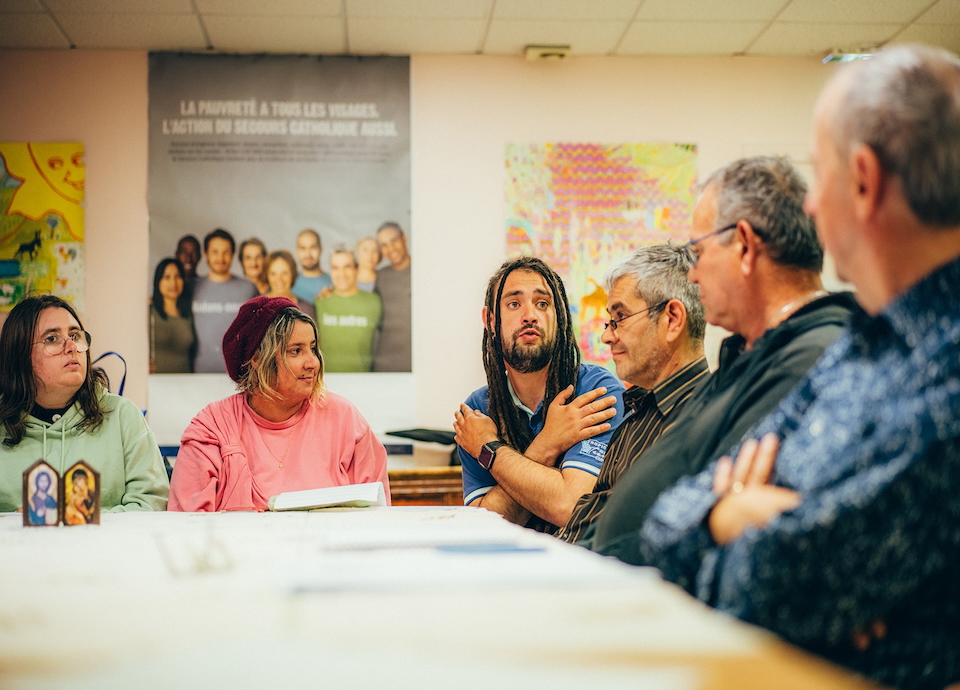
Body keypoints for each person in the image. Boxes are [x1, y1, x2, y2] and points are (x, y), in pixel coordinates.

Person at [640, 45, 960, 690]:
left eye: (822, 175)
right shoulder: (864, 341)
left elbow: (775, 587)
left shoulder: (946, 370)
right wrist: (733, 515)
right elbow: (663, 524)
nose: (809, 210)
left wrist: (738, 512)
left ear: (864, 180)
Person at [589, 155, 858, 560]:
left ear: (745, 247)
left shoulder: (810, 359)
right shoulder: (749, 352)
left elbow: (713, 512)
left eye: (697, 252)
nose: (693, 275)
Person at [169, 296, 390, 511]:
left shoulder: (345, 420)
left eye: (313, 348)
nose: (313, 362)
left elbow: (375, 520)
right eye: (296, 351)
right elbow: (185, 531)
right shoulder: (212, 429)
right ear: (256, 359)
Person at [453, 256, 625, 532]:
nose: (530, 315)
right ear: (491, 320)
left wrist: (489, 448)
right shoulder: (477, 411)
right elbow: (481, 526)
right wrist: (547, 444)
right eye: (514, 304)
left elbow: (570, 507)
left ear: (559, 318)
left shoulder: (596, 391)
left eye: (543, 304)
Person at [556, 244, 708, 544]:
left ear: (672, 319)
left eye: (620, 317)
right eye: (609, 321)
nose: (607, 336)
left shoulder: (704, 420)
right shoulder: (635, 416)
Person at [0, 294, 169, 512]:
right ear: (19, 354)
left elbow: (151, 504)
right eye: (52, 338)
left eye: (75, 335)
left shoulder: (122, 415)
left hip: (108, 547)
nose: (71, 346)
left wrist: (74, 517)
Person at [191, 228, 259, 374]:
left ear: (233, 255)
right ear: (206, 254)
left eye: (226, 252)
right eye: (215, 252)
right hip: (198, 374)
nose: (220, 258)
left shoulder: (248, 288)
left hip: (239, 376)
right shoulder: (192, 287)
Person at [314, 246, 382, 372]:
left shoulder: (374, 301)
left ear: (356, 269)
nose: (341, 273)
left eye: (347, 266)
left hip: (364, 381)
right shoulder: (320, 301)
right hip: (327, 383)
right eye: (335, 268)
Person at [372, 222, 412, 372]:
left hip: (415, 363)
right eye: (384, 245)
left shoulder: (422, 270)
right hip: (384, 365)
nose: (390, 249)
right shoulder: (380, 276)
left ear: (404, 238)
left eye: (394, 240)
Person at [150, 257, 195, 373]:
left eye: (178, 276)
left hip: (186, 382)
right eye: (166, 277)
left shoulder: (189, 313)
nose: (173, 282)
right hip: (156, 383)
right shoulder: (149, 312)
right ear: (158, 281)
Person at [265, 250, 316, 321]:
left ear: (292, 274)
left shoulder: (306, 308)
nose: (279, 279)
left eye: (284, 273)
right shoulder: (257, 307)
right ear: (267, 275)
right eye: (273, 274)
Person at [291, 228, 332, 303]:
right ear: (297, 251)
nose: (308, 254)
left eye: (313, 247)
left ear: (320, 249)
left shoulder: (332, 283)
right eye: (303, 248)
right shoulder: (289, 281)